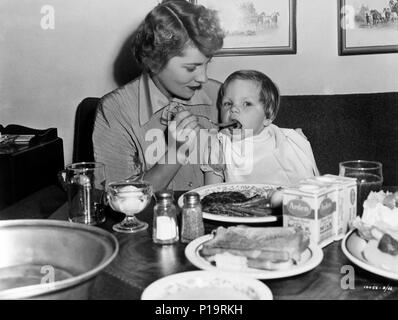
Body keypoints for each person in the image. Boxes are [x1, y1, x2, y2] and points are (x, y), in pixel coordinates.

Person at [92, 0, 224, 191]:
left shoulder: (222, 96)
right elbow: (117, 198)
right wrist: (176, 153)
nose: (203, 77)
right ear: (155, 61)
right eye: (190, 68)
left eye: (207, 63)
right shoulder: (115, 109)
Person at [201, 70, 319, 186]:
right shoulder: (220, 144)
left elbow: (319, 187)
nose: (233, 109)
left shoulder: (290, 140)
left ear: (268, 116)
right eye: (228, 103)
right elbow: (209, 192)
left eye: (247, 103)